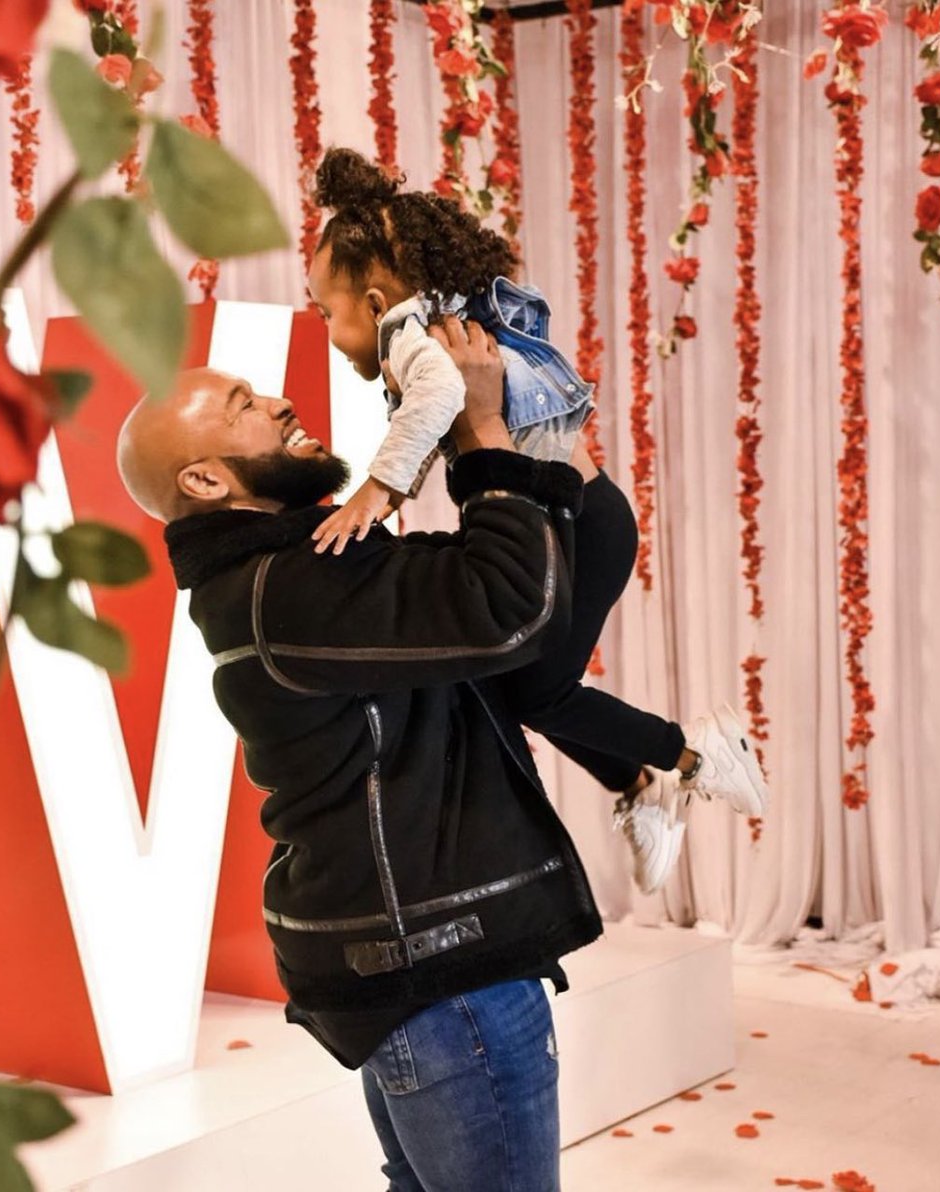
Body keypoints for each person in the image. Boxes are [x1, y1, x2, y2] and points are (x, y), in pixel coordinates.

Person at [118, 339, 599, 1191]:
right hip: (440, 972)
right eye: (243, 405)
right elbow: (510, 608)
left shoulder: (286, 572)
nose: (278, 403)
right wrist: (481, 427)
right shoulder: (286, 585)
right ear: (204, 480)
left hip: (416, 966)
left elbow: (474, 592)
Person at [304, 147, 768, 895]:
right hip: (577, 518)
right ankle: (642, 784)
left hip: (578, 522)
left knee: (538, 693)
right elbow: (435, 420)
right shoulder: (442, 326)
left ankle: (694, 755)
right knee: (525, 691)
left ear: (376, 298)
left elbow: (433, 406)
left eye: (327, 311)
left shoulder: (410, 336)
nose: (325, 328)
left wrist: (377, 492)